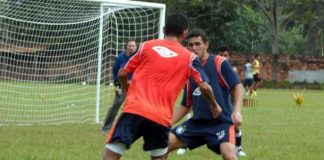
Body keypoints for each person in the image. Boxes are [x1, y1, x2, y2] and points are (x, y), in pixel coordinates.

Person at [102, 13, 222, 160]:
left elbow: (122, 72)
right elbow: (204, 87)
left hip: (134, 110)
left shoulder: (146, 46)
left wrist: (126, 84)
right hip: (160, 117)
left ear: (164, 29)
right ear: (184, 34)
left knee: (111, 154)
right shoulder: (190, 58)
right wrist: (214, 105)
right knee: (158, 157)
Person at [163, 29, 244, 160]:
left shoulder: (219, 63)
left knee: (229, 155)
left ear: (206, 45)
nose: (194, 48)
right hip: (196, 123)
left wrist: (237, 111)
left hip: (220, 122)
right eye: (190, 45)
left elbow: (237, 86)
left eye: (197, 44)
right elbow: (186, 104)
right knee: (162, 145)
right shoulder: (188, 69)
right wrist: (167, 122)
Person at [102, 38, 138, 132]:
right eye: (130, 46)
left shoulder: (138, 57)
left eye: (133, 46)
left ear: (136, 47)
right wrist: (117, 84)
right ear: (126, 47)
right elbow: (115, 71)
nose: (131, 48)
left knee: (137, 107)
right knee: (116, 104)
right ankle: (106, 127)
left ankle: (134, 128)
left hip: (135, 86)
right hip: (121, 85)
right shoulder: (120, 57)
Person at [218, 47, 246, 157]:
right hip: (218, 102)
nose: (223, 57)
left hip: (229, 102)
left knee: (234, 126)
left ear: (229, 57)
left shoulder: (232, 70)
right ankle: (185, 146)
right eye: (221, 55)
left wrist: (236, 107)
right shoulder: (214, 67)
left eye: (225, 55)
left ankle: (238, 148)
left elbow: (237, 87)